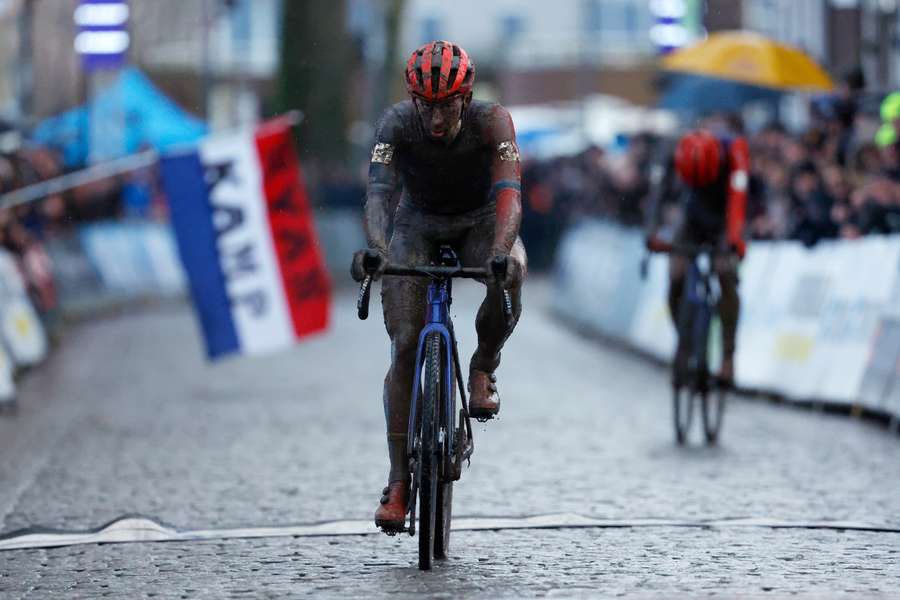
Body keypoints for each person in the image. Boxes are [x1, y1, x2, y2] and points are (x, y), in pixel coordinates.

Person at [350, 41, 527, 533]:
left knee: (511, 270)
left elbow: (510, 196)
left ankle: (483, 366)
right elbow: (380, 195)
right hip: (417, 224)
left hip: (481, 222)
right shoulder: (394, 125)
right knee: (405, 343)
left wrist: (500, 250)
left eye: (446, 104)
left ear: (465, 98)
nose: (434, 118)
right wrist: (378, 250)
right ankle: (399, 481)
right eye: (425, 105)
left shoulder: (494, 123)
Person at [646, 128, 749, 385]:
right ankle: (684, 340)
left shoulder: (735, 150)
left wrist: (734, 241)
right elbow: (656, 197)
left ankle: (728, 357)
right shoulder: (672, 151)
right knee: (676, 274)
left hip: (724, 216)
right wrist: (651, 234)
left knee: (725, 272)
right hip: (692, 216)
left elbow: (738, 200)